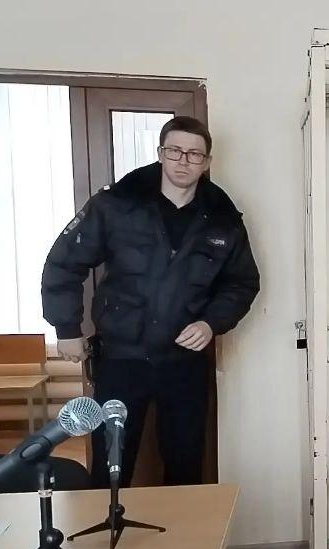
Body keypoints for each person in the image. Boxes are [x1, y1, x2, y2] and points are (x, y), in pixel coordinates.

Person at [42, 116, 260, 489]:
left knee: (185, 462)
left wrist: (210, 322)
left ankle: (182, 529)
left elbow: (242, 283)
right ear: (160, 153)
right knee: (112, 461)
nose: (183, 161)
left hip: (184, 362)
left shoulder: (223, 218)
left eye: (194, 154)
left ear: (207, 161)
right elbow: (65, 263)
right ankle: (107, 527)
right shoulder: (118, 204)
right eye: (174, 151)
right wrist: (67, 329)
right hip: (121, 357)